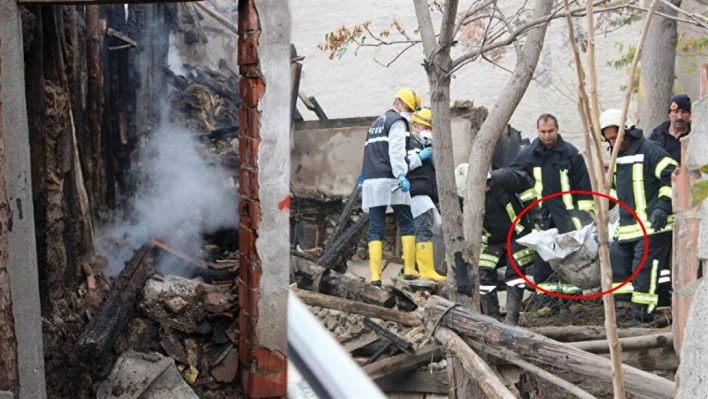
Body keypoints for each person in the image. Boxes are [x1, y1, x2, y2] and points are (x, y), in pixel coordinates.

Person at [508, 113, 594, 315]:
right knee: (543, 258)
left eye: (550, 131)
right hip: (542, 216)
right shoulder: (529, 154)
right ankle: (547, 302)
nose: (547, 136)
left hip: (568, 215)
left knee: (570, 257)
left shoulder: (571, 154)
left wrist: (585, 216)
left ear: (558, 129)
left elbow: (583, 186)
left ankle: (574, 300)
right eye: (543, 132)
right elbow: (513, 176)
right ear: (538, 131)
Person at [599, 108, 677, 327]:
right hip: (628, 227)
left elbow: (671, 178)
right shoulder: (617, 157)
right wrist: (605, 203)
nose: (614, 143)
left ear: (628, 130)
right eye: (609, 139)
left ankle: (643, 315)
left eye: (617, 137)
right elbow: (617, 190)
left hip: (654, 225)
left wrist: (663, 207)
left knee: (644, 268)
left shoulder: (651, 151)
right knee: (621, 267)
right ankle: (625, 310)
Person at [455, 163, 540, 326]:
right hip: (491, 241)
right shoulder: (463, 201)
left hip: (517, 235)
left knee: (514, 273)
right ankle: (493, 322)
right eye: (482, 186)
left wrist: (534, 212)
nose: (487, 188)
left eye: (487, 184)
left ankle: (511, 322)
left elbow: (526, 183)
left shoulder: (502, 178)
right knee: (484, 274)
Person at [361, 88, 423, 286]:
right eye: (408, 108)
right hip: (391, 179)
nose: (409, 113)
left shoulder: (376, 123)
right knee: (406, 221)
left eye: (412, 110)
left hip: (372, 181)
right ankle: (411, 270)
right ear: (397, 102)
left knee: (375, 227)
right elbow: (396, 151)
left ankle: (375, 276)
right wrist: (401, 174)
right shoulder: (397, 122)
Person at [405, 107, 446, 282]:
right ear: (415, 126)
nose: (428, 132)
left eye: (430, 129)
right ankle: (425, 270)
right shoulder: (409, 143)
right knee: (423, 229)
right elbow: (403, 164)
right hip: (416, 192)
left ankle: (423, 268)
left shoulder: (425, 145)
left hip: (424, 193)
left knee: (426, 228)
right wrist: (419, 157)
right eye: (425, 128)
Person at [648, 94, 691, 164]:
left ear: (690, 115)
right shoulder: (656, 136)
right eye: (676, 112)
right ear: (669, 114)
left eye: (684, 112)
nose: (680, 117)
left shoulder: (695, 135)